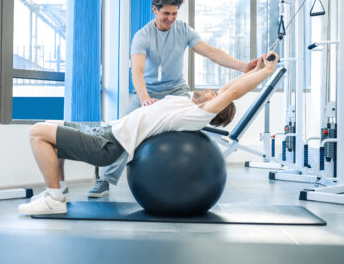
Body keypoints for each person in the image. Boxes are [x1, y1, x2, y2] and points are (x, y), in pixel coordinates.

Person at [18, 52, 278, 215]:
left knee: (37, 132)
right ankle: (59, 192)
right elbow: (228, 87)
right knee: (51, 127)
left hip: (108, 144)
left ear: (214, 106)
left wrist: (267, 72)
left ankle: (53, 199)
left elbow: (232, 93)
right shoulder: (189, 102)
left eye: (214, 95)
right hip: (106, 129)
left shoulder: (197, 115)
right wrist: (255, 69)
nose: (211, 90)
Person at [86, 0, 259, 197]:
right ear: (154, 10)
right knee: (125, 131)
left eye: (174, 14)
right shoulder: (142, 36)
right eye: (166, 13)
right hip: (147, 91)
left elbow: (211, 52)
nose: (170, 18)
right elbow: (138, 71)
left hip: (178, 89)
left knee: (195, 121)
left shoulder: (184, 30)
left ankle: (195, 175)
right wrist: (144, 98)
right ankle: (105, 180)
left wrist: (243, 67)